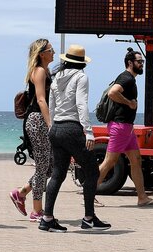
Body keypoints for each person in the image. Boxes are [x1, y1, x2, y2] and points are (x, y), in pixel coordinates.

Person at [41, 44, 110, 232]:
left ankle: (47, 218)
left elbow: (52, 105)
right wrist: (88, 131)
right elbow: (81, 104)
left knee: (58, 174)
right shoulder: (81, 77)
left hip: (56, 128)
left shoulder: (56, 79)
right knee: (92, 172)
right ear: (82, 63)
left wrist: (52, 128)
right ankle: (89, 218)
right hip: (72, 129)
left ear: (66, 60)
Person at [96, 47, 153, 207]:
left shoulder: (129, 78)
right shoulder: (127, 78)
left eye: (142, 62)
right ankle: (89, 194)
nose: (142, 64)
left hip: (127, 128)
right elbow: (113, 93)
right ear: (130, 62)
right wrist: (129, 103)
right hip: (120, 127)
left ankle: (142, 197)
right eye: (139, 62)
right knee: (109, 162)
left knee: (136, 160)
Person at [9, 39, 55, 222]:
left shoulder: (45, 70)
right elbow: (41, 99)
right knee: (43, 166)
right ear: (42, 54)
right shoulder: (40, 71)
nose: (53, 52)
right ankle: (37, 211)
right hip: (38, 120)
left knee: (49, 167)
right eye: (50, 50)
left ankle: (21, 193)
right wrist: (50, 123)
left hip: (39, 120)